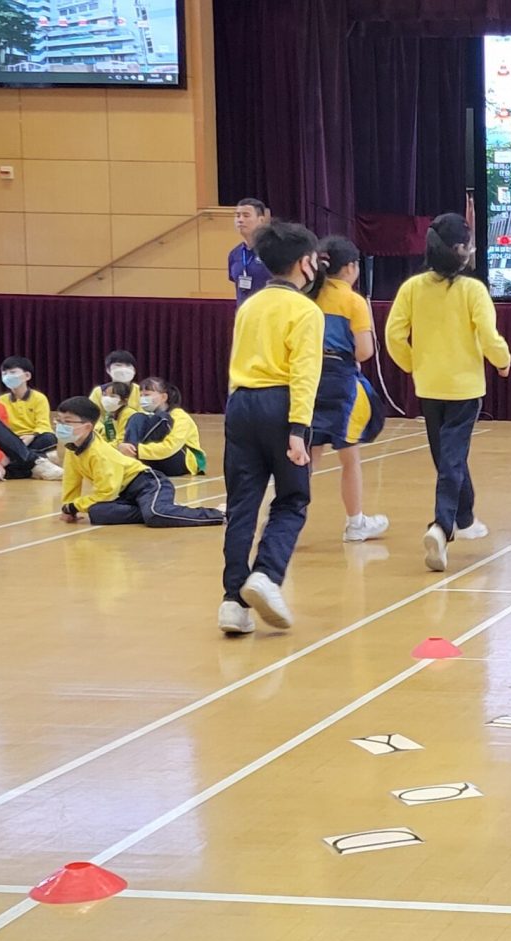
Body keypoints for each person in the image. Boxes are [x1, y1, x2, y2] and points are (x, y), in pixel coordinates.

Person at [388, 213, 511, 572]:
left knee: (447, 457)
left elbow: (394, 335)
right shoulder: (472, 290)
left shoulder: (412, 288)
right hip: (464, 389)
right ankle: (442, 527)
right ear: (460, 249)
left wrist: (413, 365)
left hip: (429, 387)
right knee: (452, 459)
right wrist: (502, 361)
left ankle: (466, 516)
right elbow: (488, 335)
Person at [219, 219, 325, 636]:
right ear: (304, 262)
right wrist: (299, 428)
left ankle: (232, 602)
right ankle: (266, 573)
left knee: (241, 504)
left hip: (240, 403)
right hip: (281, 405)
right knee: (293, 498)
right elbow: (304, 372)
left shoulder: (250, 304)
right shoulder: (306, 310)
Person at [309, 235, 390, 542]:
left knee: (307, 455)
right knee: (349, 455)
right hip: (340, 380)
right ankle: (355, 523)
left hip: (309, 376)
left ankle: (281, 517)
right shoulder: (353, 301)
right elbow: (365, 350)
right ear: (351, 267)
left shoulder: (308, 295)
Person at [55, 397, 224, 529]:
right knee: (98, 513)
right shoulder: (73, 448)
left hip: (147, 484)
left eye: (67, 421)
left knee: (156, 515)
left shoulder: (100, 454)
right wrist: (68, 506)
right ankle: (154, 507)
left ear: (87, 427)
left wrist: (74, 506)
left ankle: (218, 514)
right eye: (59, 420)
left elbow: (106, 492)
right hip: (124, 495)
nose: (60, 425)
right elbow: (71, 479)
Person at [0, 362, 62, 481]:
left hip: (5, 452)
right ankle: (37, 461)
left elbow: (3, 438)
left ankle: (24, 465)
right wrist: (0, 457)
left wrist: (4, 455)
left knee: (46, 439)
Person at [119, 377, 206, 477]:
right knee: (137, 417)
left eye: (147, 395)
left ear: (164, 397)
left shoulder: (180, 416)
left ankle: (131, 457)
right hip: (152, 457)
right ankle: (129, 461)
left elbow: (171, 447)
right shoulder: (144, 416)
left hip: (179, 460)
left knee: (161, 419)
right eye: (141, 395)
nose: (143, 399)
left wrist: (138, 450)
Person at [0, 356, 57, 460]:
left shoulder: (39, 398)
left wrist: (32, 436)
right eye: (4, 373)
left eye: (12, 372)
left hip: (33, 438)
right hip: (12, 440)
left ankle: (19, 458)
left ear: (27, 376)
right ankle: (33, 457)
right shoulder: (1, 400)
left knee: (49, 438)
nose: (7, 376)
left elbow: (43, 424)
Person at [228, 198, 274, 305]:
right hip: (245, 312)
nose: (240, 220)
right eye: (237, 215)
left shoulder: (273, 250)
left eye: (246, 215)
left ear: (261, 220)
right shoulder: (235, 254)